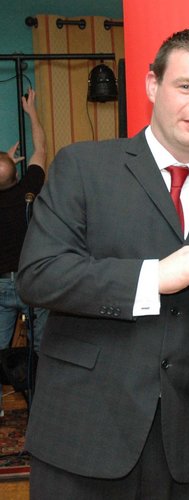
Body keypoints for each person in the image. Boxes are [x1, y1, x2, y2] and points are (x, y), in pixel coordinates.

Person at [17, 28, 189, 500]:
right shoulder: (83, 167)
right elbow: (39, 275)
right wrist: (153, 277)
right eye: (186, 86)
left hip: (188, 448)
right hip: (85, 436)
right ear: (152, 85)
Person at [0, 88, 48, 415]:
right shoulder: (29, 190)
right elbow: (41, 148)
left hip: (1, 286)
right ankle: (44, 408)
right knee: (42, 349)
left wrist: (4, 161)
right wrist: (30, 111)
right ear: (18, 174)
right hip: (32, 283)